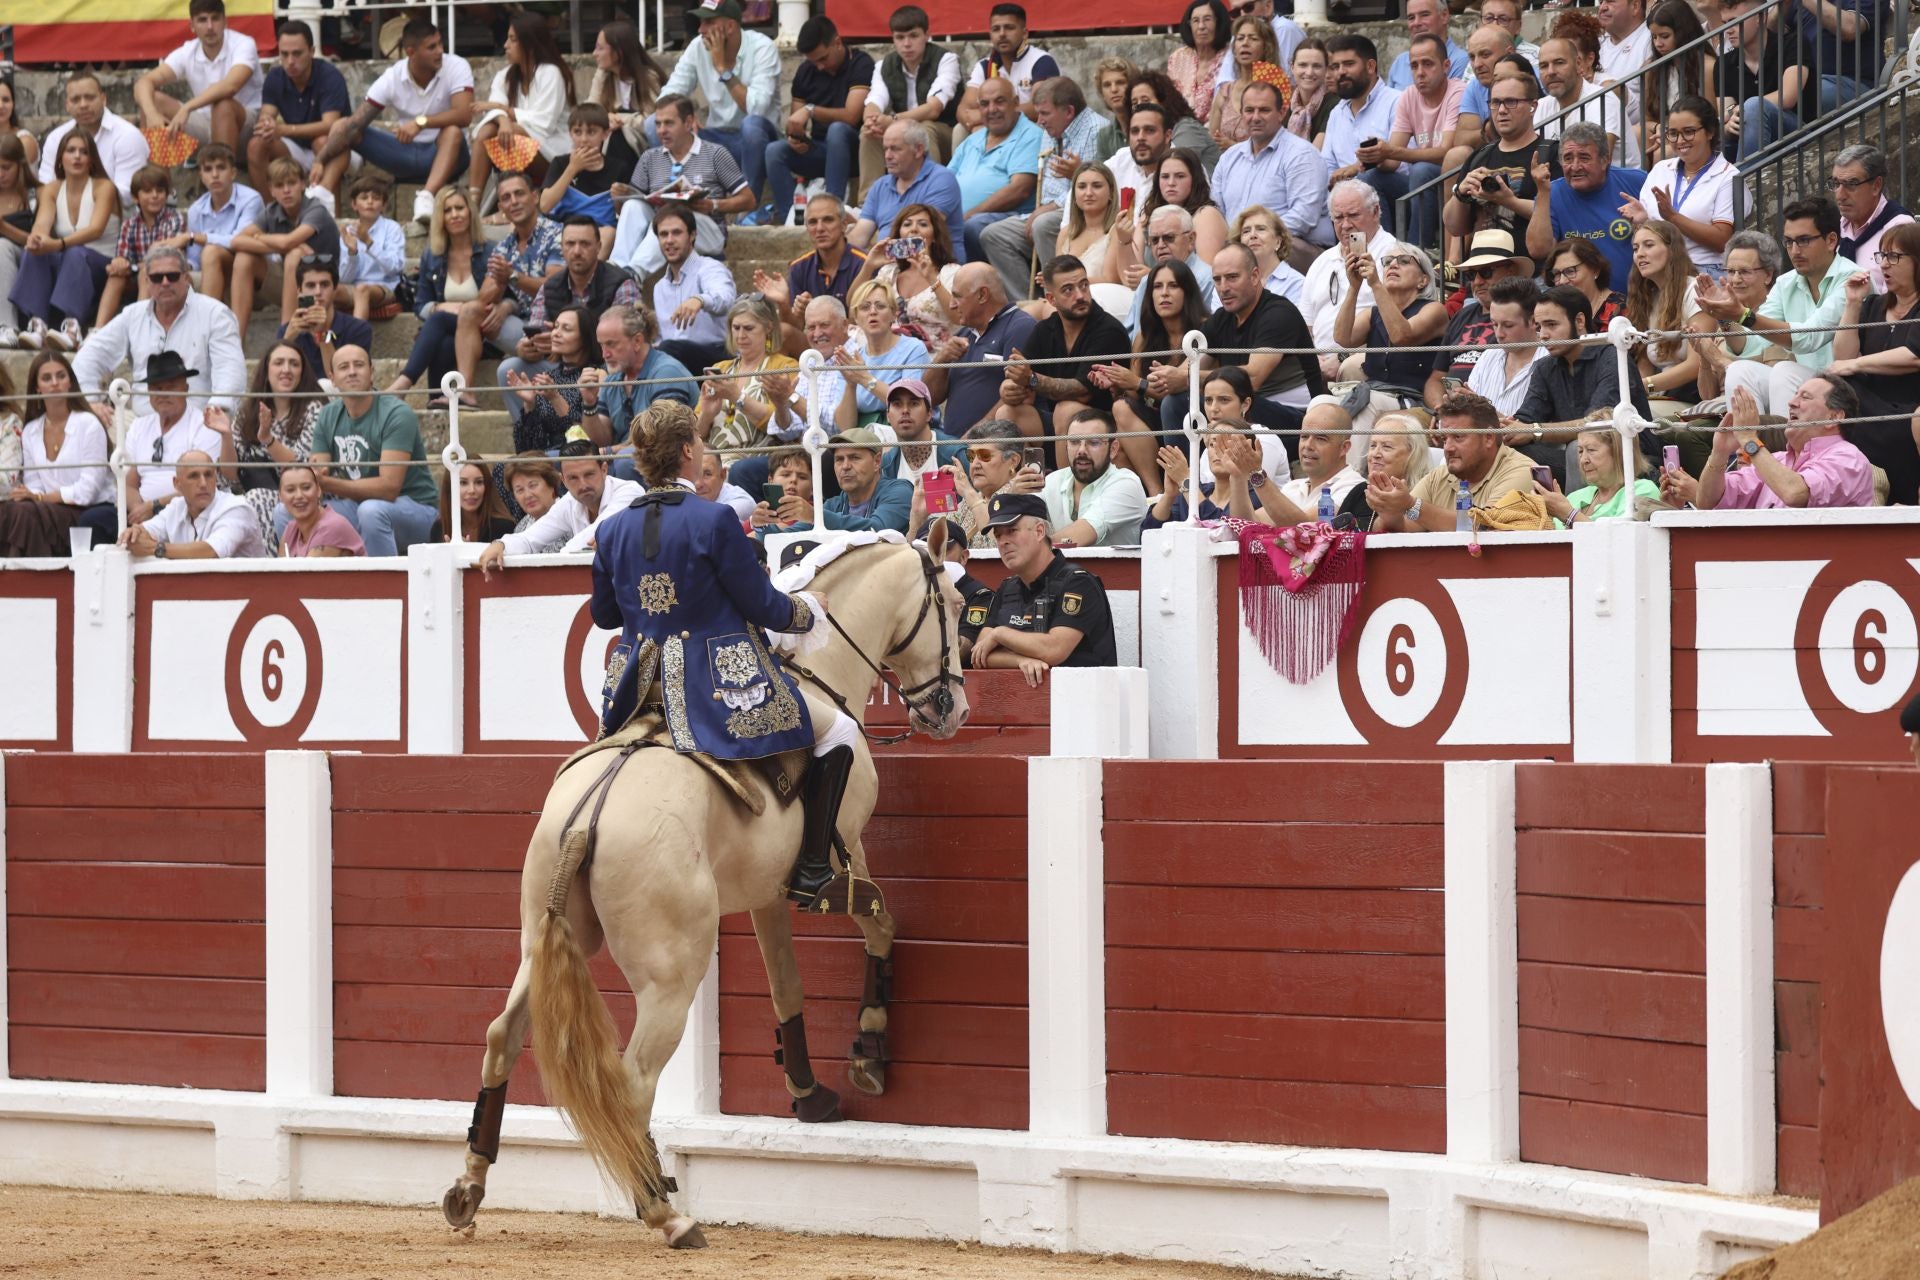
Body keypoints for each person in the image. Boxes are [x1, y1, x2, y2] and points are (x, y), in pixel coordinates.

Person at [586, 399, 862, 906]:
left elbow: (605, 616)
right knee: (841, 730)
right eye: (702, 442)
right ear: (688, 451)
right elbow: (765, 608)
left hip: (634, 687)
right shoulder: (714, 520)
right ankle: (814, 864)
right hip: (713, 683)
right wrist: (807, 609)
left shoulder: (610, 528)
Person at [1695, 196, 1863, 414]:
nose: (1794, 251)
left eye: (1803, 240)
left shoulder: (1852, 278)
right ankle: (1749, 445)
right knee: (1740, 369)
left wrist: (1743, 315)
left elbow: (1808, 338)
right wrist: (1725, 316)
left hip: (1846, 389)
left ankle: (1784, 448)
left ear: (1831, 241)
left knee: (1784, 371)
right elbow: (1750, 345)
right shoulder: (1786, 282)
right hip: (1805, 381)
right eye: (1789, 241)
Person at [313, 19, 476, 225]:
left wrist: (421, 122)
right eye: (432, 47)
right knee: (342, 126)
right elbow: (355, 125)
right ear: (411, 52)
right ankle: (323, 196)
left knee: (451, 131)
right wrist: (320, 159)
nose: (439, 52)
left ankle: (426, 196)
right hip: (405, 153)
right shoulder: (392, 77)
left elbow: (464, 115)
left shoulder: (456, 66)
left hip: (448, 155)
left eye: (440, 44)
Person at [72, 244, 246, 419]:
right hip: (139, 425)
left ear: (186, 278)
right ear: (147, 282)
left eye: (172, 276)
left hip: (200, 423)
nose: (165, 283)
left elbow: (230, 371)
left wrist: (217, 413)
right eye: (156, 278)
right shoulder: (133, 315)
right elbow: (87, 358)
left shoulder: (215, 314)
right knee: (89, 423)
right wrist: (90, 402)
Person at [296, 344, 440, 556]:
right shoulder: (328, 415)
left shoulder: (396, 413)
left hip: (414, 509)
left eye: (359, 365)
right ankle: (305, 583)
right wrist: (317, 476)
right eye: (344, 367)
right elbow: (319, 469)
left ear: (371, 373)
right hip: (359, 506)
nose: (352, 371)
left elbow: (389, 487)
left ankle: (384, 587)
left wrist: (326, 482)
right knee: (291, 511)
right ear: (332, 378)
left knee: (372, 511)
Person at [502, 214, 641, 428]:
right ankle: (531, 438)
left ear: (598, 247)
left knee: (612, 370)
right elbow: (529, 335)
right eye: (570, 244)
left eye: (584, 244)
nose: (577, 251)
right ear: (562, 248)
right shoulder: (550, 286)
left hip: (603, 364)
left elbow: (631, 340)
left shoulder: (621, 283)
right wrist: (529, 347)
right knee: (508, 369)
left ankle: (602, 432)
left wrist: (577, 338)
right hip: (561, 366)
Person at [977, 75, 1106, 303]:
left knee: (1043, 224)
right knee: (993, 234)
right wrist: (1043, 208)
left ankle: (1060, 299)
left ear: (1068, 111)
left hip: (1077, 213)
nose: (1039, 121)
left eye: (1045, 113)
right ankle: (1027, 306)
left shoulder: (1097, 130)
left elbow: (1096, 189)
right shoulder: (1050, 130)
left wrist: (1051, 204)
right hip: (1045, 210)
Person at [1509, 284, 1651, 483]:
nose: (1543, 335)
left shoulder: (1613, 358)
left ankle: (1575, 513)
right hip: (1578, 459)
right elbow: (1525, 420)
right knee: (1509, 448)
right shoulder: (1544, 367)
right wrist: (1500, 425)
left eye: (1551, 325)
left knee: (1580, 448)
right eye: (1539, 327)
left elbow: (1596, 426)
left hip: (1630, 458)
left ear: (1579, 321)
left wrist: (1533, 430)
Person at [971, 491, 1118, 680]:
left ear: (1039, 531)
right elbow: (980, 653)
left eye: (1012, 531)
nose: (1003, 542)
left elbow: (1055, 649)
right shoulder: (1007, 587)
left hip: (1081, 702)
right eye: (998, 535)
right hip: (1023, 704)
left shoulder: (1078, 583)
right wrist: (1019, 660)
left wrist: (1000, 634)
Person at [658, 0, 783, 223]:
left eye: (709, 22)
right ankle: (675, 205)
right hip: (718, 137)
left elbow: (756, 108)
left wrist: (724, 69)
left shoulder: (762, 47)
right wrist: (687, 117)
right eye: (700, 22)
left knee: (751, 126)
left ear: (730, 27)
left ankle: (747, 209)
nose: (701, 29)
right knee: (657, 124)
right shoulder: (697, 46)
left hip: (760, 140)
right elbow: (667, 98)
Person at [1663, 378, 1874, 509]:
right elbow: (1707, 502)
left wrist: (1749, 440)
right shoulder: (1777, 460)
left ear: (1834, 416)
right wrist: (1718, 453)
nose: (1792, 402)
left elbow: (1794, 493)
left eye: (1806, 397)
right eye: (1795, 395)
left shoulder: (1848, 457)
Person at [610, 95, 752, 279]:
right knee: (633, 206)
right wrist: (620, 198)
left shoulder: (715, 153)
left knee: (670, 218)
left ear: (688, 123)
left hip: (705, 231)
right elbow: (627, 212)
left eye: (669, 123)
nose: (661, 130)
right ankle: (615, 270)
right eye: (658, 124)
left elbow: (748, 199)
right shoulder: (649, 158)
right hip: (665, 230)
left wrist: (713, 205)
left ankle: (634, 274)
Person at [1827, 225, 1920, 503]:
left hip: (1910, 404)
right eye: (1882, 256)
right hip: (1870, 404)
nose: (1885, 265)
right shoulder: (1874, 306)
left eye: (1895, 257)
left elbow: (1914, 355)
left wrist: (1857, 365)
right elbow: (1842, 358)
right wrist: (1853, 304)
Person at [998, 255, 1131, 448]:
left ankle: (1066, 479)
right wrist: (1010, 387)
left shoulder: (1109, 331)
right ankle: (1027, 477)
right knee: (1007, 412)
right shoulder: (1045, 329)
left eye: (1084, 285)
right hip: (1060, 427)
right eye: (1068, 290)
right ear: (1051, 299)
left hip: (1105, 428)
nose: (1079, 295)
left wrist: (1031, 379)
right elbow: (1021, 375)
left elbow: (1081, 391)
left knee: (1066, 409)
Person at [454, 172, 563, 401]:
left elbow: (554, 289)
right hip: (524, 326)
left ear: (535, 197)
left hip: (556, 329)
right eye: (505, 197)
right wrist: (504, 301)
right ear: (501, 207)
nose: (513, 201)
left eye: (519, 194)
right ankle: (465, 392)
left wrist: (512, 277)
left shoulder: (556, 234)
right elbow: (483, 298)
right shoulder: (504, 246)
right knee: (470, 311)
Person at [1104, 259, 1209, 487]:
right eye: (1157, 287)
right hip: (1153, 422)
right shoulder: (1144, 337)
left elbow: (1189, 390)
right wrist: (1116, 383)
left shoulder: (1203, 331)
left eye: (1173, 286)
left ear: (1187, 291)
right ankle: (1156, 493)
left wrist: (1137, 383)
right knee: (1120, 410)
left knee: (1172, 402)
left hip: (1192, 419)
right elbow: (1133, 395)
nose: (1164, 294)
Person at [1368, 390, 1538, 531]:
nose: (1447, 447)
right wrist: (1390, 512)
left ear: (1488, 437)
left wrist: (1410, 505)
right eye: (1444, 438)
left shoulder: (1522, 471)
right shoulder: (1440, 477)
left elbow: (1482, 528)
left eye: (1458, 437)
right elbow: (1409, 525)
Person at [12, 130, 119, 350]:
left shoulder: (104, 187)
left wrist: (58, 244)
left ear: (92, 159)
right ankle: (38, 326)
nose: (77, 156)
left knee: (74, 252)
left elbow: (95, 230)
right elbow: (42, 224)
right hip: (69, 263)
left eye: (84, 152)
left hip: (101, 264)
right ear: (61, 157)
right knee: (35, 252)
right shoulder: (50, 189)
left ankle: (73, 328)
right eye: (71, 151)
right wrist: (37, 239)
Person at [0, 351, 110, 556]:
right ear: (37, 388)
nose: (55, 383)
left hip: (84, 511)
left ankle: (30, 581)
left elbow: (88, 491)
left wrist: (40, 498)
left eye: (61, 376)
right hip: (45, 511)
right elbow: (34, 483)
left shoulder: (89, 424)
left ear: (70, 382)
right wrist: (34, 496)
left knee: (24, 513)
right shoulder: (31, 430)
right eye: (46, 378)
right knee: (8, 511)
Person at [387, 187, 490, 405]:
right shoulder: (432, 256)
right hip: (449, 329)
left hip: (485, 329)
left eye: (460, 208)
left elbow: (510, 298)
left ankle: (404, 382)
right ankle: (441, 405)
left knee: (438, 322)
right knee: (443, 342)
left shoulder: (490, 250)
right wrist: (440, 307)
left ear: (470, 212)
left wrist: (446, 312)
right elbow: (420, 305)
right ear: (440, 218)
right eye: (447, 210)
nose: (454, 215)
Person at [1358, 35, 1463, 246]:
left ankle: (1417, 251)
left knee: (1421, 170)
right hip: (1420, 185)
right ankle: (1384, 250)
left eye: (1427, 64)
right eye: (1414, 66)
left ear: (1446, 66)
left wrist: (1391, 151)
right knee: (1370, 178)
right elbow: (1393, 162)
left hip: (1452, 181)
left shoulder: (1458, 91)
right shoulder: (1408, 96)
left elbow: (1446, 152)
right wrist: (1377, 156)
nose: (1420, 72)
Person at [466, 11, 575, 214]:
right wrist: (504, 119)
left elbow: (545, 122)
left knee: (511, 133)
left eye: (513, 40)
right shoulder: (504, 76)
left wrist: (506, 113)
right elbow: (494, 108)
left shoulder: (551, 73)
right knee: (487, 131)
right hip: (516, 139)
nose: (506, 45)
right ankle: (473, 202)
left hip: (552, 154)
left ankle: (508, 200)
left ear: (530, 44)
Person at [767, 16, 872, 218]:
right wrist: (796, 138)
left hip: (855, 151)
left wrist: (811, 110)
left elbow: (851, 116)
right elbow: (796, 120)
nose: (820, 67)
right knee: (774, 151)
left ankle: (833, 211)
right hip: (821, 149)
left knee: (838, 130)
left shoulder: (860, 63)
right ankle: (791, 218)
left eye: (823, 58)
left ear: (838, 43)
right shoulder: (807, 70)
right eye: (813, 61)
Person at [1524, 122, 1646, 293]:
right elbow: (1538, 250)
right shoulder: (1552, 193)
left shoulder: (1637, 182)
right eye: (1568, 158)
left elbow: (1666, 237)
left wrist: (1645, 222)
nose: (1575, 166)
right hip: (1578, 306)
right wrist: (1543, 192)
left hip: (1638, 300)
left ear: (1605, 160)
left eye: (1584, 157)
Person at [227, 156, 338, 340]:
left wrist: (262, 237)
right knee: (244, 257)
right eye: (279, 186)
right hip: (292, 283)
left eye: (291, 183)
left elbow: (288, 243)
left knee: (294, 254)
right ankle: (235, 341)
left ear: (303, 184)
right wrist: (276, 241)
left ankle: (285, 336)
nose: (286, 191)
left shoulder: (316, 210)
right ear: (271, 190)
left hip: (324, 286)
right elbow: (236, 241)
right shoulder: (271, 210)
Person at [859, 3, 963, 194]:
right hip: (903, 130)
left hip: (944, 133)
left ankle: (930, 195)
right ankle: (868, 203)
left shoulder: (946, 60)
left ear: (926, 35)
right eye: (900, 37)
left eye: (913, 36)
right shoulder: (884, 65)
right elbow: (874, 100)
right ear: (893, 39)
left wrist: (893, 120)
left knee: (924, 129)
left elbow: (933, 109)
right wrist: (872, 120)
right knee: (869, 132)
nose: (907, 44)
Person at [1621, 97, 1733, 274]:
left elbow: (1722, 241)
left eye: (1688, 132)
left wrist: (1673, 217)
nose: (1680, 140)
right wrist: (1643, 220)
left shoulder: (1727, 176)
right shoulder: (1660, 169)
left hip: (1705, 271)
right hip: (1661, 268)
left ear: (1710, 132)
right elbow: (1651, 233)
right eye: (1673, 133)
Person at [1211, 80, 1331, 245]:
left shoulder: (1301, 154)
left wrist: (1252, 239)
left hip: (1291, 247)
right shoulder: (1228, 158)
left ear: (1281, 113)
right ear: (1241, 113)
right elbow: (1216, 212)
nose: (1255, 117)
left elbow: (1304, 216)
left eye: (1264, 110)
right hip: (1239, 250)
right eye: (1249, 110)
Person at [134, 0, 262, 154]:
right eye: (202, 20)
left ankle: (223, 173)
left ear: (225, 22)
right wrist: (152, 114)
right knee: (151, 100)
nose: (209, 27)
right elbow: (143, 82)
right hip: (205, 124)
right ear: (192, 26)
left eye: (215, 18)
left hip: (247, 126)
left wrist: (187, 108)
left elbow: (231, 86)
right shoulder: (188, 50)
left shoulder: (243, 44)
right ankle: (156, 177)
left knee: (223, 106)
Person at [482, 439, 640, 562]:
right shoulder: (570, 501)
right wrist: (501, 545)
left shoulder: (629, 492)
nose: (583, 484)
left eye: (589, 474)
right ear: (563, 480)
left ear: (604, 470)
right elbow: (531, 538)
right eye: (573, 478)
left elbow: (597, 532)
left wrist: (558, 559)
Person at [122, 350, 232, 527]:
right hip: (141, 512)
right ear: (149, 392)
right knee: (98, 518)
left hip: (187, 509)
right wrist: (139, 510)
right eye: (157, 388)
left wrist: (154, 506)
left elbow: (203, 484)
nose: (164, 394)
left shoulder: (203, 425)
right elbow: (128, 484)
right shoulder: (138, 427)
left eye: (171, 387)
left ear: (186, 389)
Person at [1427, 227, 1534, 408]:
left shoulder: (1529, 314)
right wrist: (1440, 410)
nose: (1477, 281)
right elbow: (1436, 379)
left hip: (1495, 411)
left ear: (1511, 270)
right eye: (1470, 274)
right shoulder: (1462, 315)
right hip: (1449, 410)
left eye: (1486, 272)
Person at [925, 263, 1037, 435]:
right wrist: (942, 359)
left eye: (957, 297)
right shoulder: (963, 335)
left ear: (983, 295)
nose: (952, 305)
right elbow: (928, 398)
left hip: (992, 451)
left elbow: (1018, 396)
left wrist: (973, 439)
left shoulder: (1020, 327)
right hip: (957, 450)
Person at [1444, 68, 1553, 241]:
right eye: (1495, 102)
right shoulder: (1479, 156)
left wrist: (1509, 201)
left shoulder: (1551, 153)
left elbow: (1560, 213)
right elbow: (1454, 227)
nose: (1501, 110)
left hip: (1530, 264)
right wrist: (1461, 194)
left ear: (1533, 106)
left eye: (1511, 102)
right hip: (1481, 264)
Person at [1303, 182, 1396, 380]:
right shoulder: (1322, 261)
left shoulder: (1394, 255)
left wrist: (1343, 356)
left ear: (1375, 211)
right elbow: (1307, 326)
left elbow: (1394, 325)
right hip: (1317, 362)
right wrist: (1313, 358)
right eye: (1338, 218)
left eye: (1353, 215)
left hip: (1365, 360)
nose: (1345, 225)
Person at [232, 340, 320, 546]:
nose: (286, 370)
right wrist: (225, 436)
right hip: (249, 490)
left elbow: (303, 468)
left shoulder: (313, 409)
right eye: (279, 363)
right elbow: (230, 474)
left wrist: (268, 440)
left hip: (298, 493)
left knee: (256, 499)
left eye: (294, 364)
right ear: (267, 370)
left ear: (302, 372)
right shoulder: (248, 412)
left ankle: (267, 567)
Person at [249, 19, 350, 198]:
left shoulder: (329, 76)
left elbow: (330, 125)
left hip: (337, 149)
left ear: (312, 51)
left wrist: (284, 129)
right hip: (296, 147)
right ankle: (269, 210)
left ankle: (331, 214)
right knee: (257, 144)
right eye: (284, 54)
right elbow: (267, 113)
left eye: (297, 54)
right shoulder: (275, 76)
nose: (290, 61)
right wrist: (266, 124)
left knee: (322, 141)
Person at [952, 76, 1046, 266]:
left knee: (972, 226)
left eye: (999, 102)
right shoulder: (973, 140)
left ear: (1016, 103)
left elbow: (1020, 189)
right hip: (964, 219)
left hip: (1011, 217)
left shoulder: (1030, 135)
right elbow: (945, 181)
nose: (992, 109)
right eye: (985, 104)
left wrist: (969, 215)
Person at [585, 303, 699, 458]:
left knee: (622, 461)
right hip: (625, 461)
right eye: (601, 345)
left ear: (637, 341)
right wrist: (589, 403)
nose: (604, 354)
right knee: (557, 459)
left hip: (667, 460)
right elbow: (602, 440)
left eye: (611, 344)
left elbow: (660, 439)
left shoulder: (666, 372)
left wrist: (606, 453)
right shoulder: (613, 379)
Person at [756, 194, 864, 351]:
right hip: (815, 346)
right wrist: (784, 305)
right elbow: (795, 328)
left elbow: (869, 320)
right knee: (779, 332)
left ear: (844, 224)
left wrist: (820, 311)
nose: (819, 228)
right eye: (813, 222)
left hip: (855, 343)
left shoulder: (864, 263)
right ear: (806, 228)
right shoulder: (799, 267)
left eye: (828, 220)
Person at [1623, 220, 1713, 402]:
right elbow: (1644, 363)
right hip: (1662, 396)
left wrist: (1642, 386)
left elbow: (1698, 363)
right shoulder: (1648, 298)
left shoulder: (1695, 290)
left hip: (1694, 394)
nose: (1640, 254)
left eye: (1648, 245)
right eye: (1635, 248)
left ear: (1672, 250)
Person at [1337, 242, 1446, 393]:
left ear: (1423, 280)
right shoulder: (1372, 313)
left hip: (1411, 398)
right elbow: (1343, 339)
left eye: (1404, 261)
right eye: (1388, 261)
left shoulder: (1434, 309)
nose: (1393, 264)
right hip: (1373, 395)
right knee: (1319, 402)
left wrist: (1375, 284)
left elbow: (1402, 337)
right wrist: (1354, 287)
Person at [848, 202, 964, 344]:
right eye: (907, 224)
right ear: (900, 235)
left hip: (935, 357)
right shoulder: (889, 272)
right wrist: (868, 266)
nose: (914, 229)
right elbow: (853, 307)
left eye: (922, 224)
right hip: (890, 354)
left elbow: (960, 317)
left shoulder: (952, 272)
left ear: (934, 236)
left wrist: (932, 278)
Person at [119, 450, 267, 559]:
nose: (203, 483)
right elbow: (145, 532)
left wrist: (156, 548)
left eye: (208, 475)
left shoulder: (236, 508)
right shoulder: (176, 506)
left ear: (216, 478)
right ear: (177, 484)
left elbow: (211, 551)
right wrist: (135, 534)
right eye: (194, 476)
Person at [698, 295, 799, 454]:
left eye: (749, 328)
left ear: (768, 328)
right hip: (713, 462)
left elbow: (785, 426)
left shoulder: (784, 367)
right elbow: (695, 435)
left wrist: (738, 397)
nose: (740, 336)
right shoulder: (720, 368)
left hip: (756, 460)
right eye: (736, 328)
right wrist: (707, 414)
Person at [651, 200, 739, 376]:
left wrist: (699, 300)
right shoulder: (659, 287)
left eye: (676, 233)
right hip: (676, 360)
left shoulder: (710, 268)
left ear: (692, 235)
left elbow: (725, 299)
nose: (669, 240)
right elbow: (664, 338)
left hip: (717, 358)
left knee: (669, 350)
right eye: (663, 234)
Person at [37, 73, 150, 209]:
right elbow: (45, 186)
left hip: (116, 221)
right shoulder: (56, 138)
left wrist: (77, 200)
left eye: (90, 98)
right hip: (62, 217)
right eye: (76, 99)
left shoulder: (128, 136)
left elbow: (127, 194)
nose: (83, 105)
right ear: (67, 105)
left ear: (103, 99)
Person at [1715, 0, 1809, 163]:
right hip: (1745, 138)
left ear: (1760, 17)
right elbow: (1726, 113)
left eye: (1735, 22)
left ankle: (1746, 184)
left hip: (1797, 133)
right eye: (1724, 23)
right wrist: (1728, 127)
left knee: (1753, 107)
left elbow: (1787, 97)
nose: (1728, 30)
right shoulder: (1723, 63)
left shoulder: (1792, 43)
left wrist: (1741, 108)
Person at [852, 120, 964, 256]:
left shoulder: (942, 179)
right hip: (886, 267)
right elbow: (859, 237)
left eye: (895, 149)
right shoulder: (880, 186)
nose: (887, 156)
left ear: (918, 150)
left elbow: (923, 242)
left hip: (934, 268)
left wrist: (878, 255)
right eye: (885, 149)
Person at [96, 164, 187, 329]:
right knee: (116, 275)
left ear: (166, 195)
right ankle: (98, 330)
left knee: (147, 269)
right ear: (135, 198)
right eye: (147, 191)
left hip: (167, 275)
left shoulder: (174, 218)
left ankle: (141, 328)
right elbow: (122, 255)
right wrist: (119, 264)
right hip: (135, 276)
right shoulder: (129, 225)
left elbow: (163, 256)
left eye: (159, 191)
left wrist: (130, 266)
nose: (154, 196)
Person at [776, 427, 915, 534]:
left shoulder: (900, 491)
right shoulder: (833, 505)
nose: (846, 466)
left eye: (855, 458)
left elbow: (877, 530)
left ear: (877, 461)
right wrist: (761, 526)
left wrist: (815, 515)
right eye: (839, 459)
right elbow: (787, 535)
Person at [1042, 409, 1149, 547]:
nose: (1081, 450)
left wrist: (1033, 548)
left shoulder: (1126, 484)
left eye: (1093, 443)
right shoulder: (1052, 481)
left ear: (1113, 449)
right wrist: (1017, 496)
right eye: (1074, 442)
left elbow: (1083, 534)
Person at [833, 281, 932, 428]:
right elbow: (845, 428)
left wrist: (865, 378)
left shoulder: (913, 349)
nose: (873, 311)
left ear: (894, 314)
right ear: (856, 317)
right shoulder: (852, 361)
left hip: (905, 432)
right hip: (865, 440)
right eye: (865, 307)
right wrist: (851, 384)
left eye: (880, 306)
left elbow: (909, 406)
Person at [511, 305, 603, 453]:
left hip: (574, 457)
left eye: (566, 329)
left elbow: (585, 438)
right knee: (503, 468)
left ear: (585, 336)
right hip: (545, 457)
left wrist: (555, 398)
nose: (555, 334)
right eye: (556, 327)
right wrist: (530, 406)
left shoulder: (594, 375)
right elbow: (524, 449)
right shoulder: (550, 377)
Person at [1537, 420, 1661, 522]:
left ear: (1618, 451)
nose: (1583, 460)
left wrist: (1568, 514)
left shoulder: (1642, 490)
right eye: (1580, 451)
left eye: (1591, 450)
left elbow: (1619, 540)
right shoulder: (1575, 497)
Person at [184, 142, 262, 304]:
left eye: (221, 168)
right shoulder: (195, 210)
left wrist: (196, 237)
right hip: (215, 271)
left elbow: (238, 241)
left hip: (256, 272)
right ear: (201, 176)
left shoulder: (251, 199)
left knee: (212, 251)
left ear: (233, 173)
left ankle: (206, 321)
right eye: (208, 169)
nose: (214, 175)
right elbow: (195, 259)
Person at [959, 3, 1061, 126]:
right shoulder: (985, 65)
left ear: (1024, 33)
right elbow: (964, 110)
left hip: (1030, 129)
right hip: (997, 130)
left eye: (1009, 28)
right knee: (961, 129)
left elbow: (1039, 107)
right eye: (996, 29)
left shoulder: (1041, 61)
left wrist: (986, 115)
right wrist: (977, 129)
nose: (1002, 34)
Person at [1322, 34, 1403, 187]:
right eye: (1335, 67)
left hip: (1391, 195)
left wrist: (1357, 170)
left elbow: (1403, 164)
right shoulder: (1336, 113)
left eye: (1349, 64)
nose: (1340, 72)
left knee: (1370, 178)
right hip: (1344, 199)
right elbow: (1327, 166)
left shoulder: (1397, 102)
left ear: (1370, 67)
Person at [1642, 1, 1715, 165]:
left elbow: (1710, 118)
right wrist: (1659, 128)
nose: (1658, 43)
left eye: (1664, 36)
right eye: (1654, 37)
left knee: (1662, 153)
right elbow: (1646, 118)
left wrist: (1673, 133)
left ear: (1683, 33)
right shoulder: (1651, 68)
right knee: (1636, 133)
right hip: (1665, 132)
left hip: (1692, 135)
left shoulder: (1706, 65)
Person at [1833, 145, 1914, 293]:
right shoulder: (1836, 228)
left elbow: (1897, 299)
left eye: (1851, 184)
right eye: (1836, 184)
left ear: (1876, 186)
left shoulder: (1899, 227)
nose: (1840, 195)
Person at [277, 256, 372, 380]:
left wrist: (322, 334)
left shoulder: (358, 329)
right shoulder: (288, 330)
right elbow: (277, 379)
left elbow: (340, 382)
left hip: (340, 396)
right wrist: (288, 339)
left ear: (335, 289)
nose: (317, 292)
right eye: (311, 285)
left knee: (325, 384)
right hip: (301, 396)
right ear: (300, 291)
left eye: (324, 285)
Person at [1337, 410, 1434, 529]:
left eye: (1387, 446)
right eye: (1373, 445)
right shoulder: (1360, 492)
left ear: (1413, 454)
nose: (1375, 454)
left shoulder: (1427, 495)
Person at [1467, 276, 1549, 417]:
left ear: (1534, 321)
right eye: (1494, 324)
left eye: (1508, 325)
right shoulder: (1488, 355)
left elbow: (1537, 429)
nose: (1499, 334)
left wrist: (1483, 412)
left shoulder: (1551, 360)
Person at [1140, 148, 1232, 271]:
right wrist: (1123, 240)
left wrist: (1152, 278)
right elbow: (1130, 271)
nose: (1171, 183)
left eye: (1180, 176)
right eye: (1165, 177)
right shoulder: (1149, 214)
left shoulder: (1206, 215)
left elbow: (1208, 277)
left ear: (1194, 180)